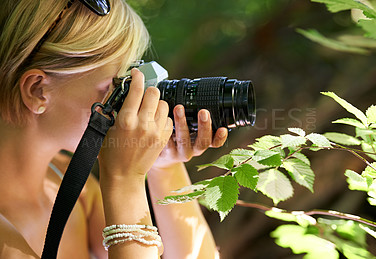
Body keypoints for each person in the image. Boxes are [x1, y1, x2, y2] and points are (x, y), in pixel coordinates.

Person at [0, 0, 228, 258]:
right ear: (38, 90)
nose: (134, 103)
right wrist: (124, 181)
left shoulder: (77, 191)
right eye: (116, 86)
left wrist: (163, 168)